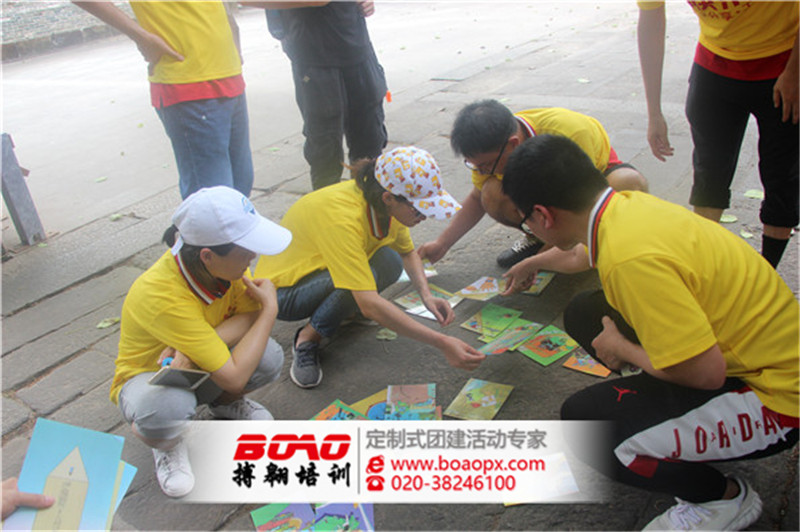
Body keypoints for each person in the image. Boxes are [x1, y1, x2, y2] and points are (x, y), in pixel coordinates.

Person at [502, 134, 799, 531]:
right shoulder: (624, 207)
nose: (530, 228)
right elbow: (578, 254)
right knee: (586, 311)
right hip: (753, 352)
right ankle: (666, 422)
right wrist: (534, 263)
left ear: (543, 215)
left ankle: (722, 499)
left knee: (587, 427)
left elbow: (706, 374)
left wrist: (622, 347)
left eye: (526, 221)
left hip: (777, 400)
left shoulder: (629, 259)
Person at [112, 186, 291, 498]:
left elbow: (247, 315)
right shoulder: (161, 294)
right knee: (168, 407)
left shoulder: (224, 267)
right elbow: (235, 377)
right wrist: (270, 309)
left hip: (196, 364)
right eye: (246, 251)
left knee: (268, 356)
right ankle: (165, 441)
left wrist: (197, 346)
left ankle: (223, 404)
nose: (253, 257)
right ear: (207, 255)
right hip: (151, 377)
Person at [254, 146, 485, 388]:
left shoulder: (384, 203)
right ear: (388, 198)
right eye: (419, 210)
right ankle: (307, 339)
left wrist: (427, 296)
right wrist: (442, 343)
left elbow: (407, 253)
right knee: (359, 286)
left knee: (389, 261)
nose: (424, 217)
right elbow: (369, 304)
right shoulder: (343, 219)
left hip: (319, 271)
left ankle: (343, 311)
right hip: (282, 294)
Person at [637, 1, 799, 268]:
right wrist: (654, 112)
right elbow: (651, 21)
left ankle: (768, 271)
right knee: (709, 172)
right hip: (715, 62)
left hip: (783, 58)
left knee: (781, 175)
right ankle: (704, 268)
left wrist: (795, 72)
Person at [417, 99, 648, 270]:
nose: (482, 172)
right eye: (474, 166)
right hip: (544, 191)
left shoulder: (569, 132)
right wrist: (442, 244)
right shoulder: (491, 153)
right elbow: (478, 198)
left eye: (486, 165)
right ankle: (540, 239)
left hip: (592, 182)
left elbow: (578, 201)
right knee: (491, 194)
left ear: (513, 144)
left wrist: (537, 262)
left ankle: (576, 245)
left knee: (628, 183)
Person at [73, 1, 255, 199]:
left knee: (240, 189)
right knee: (214, 200)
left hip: (229, 73)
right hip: (188, 83)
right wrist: (140, 36)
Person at [261, 0, 388, 190]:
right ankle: (327, 204)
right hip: (313, 59)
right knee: (325, 151)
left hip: (357, 49)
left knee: (370, 147)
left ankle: (368, 204)